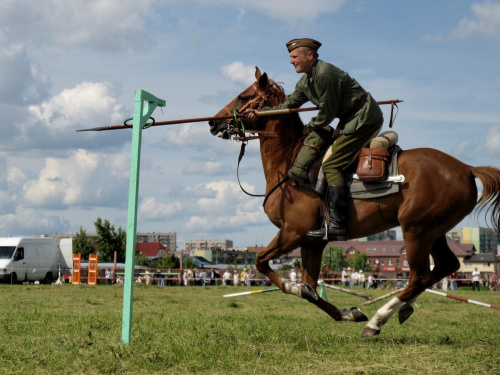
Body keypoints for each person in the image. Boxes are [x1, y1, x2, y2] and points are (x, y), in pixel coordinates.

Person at [243, 38, 383, 241]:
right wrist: (260, 114)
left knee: (331, 166)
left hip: (364, 120)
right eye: (290, 57)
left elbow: (327, 113)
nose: (291, 61)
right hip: (349, 120)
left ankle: (336, 225)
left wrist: (310, 128)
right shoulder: (306, 81)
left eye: (294, 57)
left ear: (310, 56)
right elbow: (288, 105)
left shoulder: (325, 74)